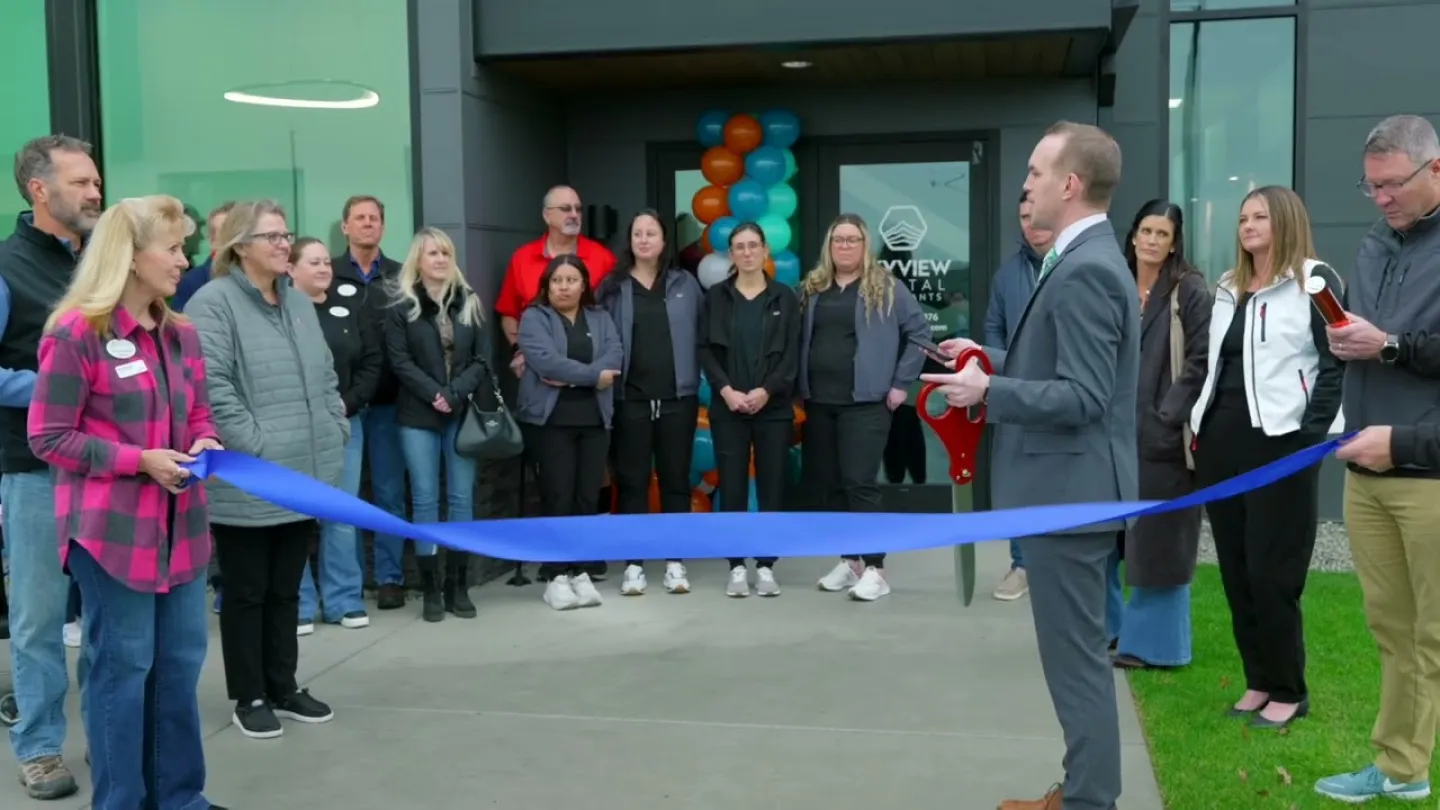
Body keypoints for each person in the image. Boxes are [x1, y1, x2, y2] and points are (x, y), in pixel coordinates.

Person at [922, 121, 1135, 810]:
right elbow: (1059, 368)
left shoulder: (1087, 268)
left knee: (1076, 666)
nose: (1026, 185)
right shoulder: (1080, 259)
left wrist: (988, 391)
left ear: (1070, 184)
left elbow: (1084, 396)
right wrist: (985, 360)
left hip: (1070, 498)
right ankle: (1082, 791)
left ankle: (1088, 801)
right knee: (1073, 662)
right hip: (1067, 494)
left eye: (1036, 173)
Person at [27, 194, 228, 810]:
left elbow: (199, 411)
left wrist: (204, 439)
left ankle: (179, 797)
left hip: (182, 533)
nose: (184, 260)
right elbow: (48, 436)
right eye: (173, 248)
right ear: (132, 256)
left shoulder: (181, 333)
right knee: (123, 670)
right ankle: (121, 802)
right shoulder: (76, 333)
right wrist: (139, 460)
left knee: (179, 666)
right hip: (110, 537)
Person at [186, 200, 348, 740]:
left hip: (304, 470)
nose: (284, 245)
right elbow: (214, 387)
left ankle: (283, 685)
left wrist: (334, 427)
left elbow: (325, 374)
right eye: (272, 237)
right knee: (248, 590)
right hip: (252, 474)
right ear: (240, 245)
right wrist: (257, 444)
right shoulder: (213, 304)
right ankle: (249, 694)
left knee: (286, 588)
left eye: (286, 235)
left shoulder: (298, 301)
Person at [1314, 114, 1440, 803]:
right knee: (1393, 630)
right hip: (1367, 464)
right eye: (1371, 187)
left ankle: (1403, 766)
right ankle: (1401, 768)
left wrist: (1388, 345)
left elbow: (1396, 343)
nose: (1382, 198)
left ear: (1435, 169)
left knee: (1431, 635)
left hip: (1427, 472)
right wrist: (1346, 339)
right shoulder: (1373, 242)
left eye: (1393, 184)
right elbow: (1365, 338)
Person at [1188, 185, 1343, 731]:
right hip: (1220, 444)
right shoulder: (1228, 286)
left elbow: (1337, 363)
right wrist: (1197, 427)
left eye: (1259, 216)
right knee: (1235, 570)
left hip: (1281, 445)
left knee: (1272, 572)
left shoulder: (1316, 281)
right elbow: (1214, 365)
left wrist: (1311, 439)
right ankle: (1257, 680)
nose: (1247, 225)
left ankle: (1289, 690)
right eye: (1242, 218)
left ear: (1285, 221)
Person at [0, 134, 102, 799]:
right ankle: (38, 747)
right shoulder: (7, 267)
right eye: (81, 182)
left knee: (108, 617)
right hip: (36, 471)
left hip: (110, 468)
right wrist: (63, 385)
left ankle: (109, 732)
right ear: (39, 189)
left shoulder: (104, 262)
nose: (96, 192)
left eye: (96, 181)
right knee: (39, 620)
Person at [801, 213, 929, 602]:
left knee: (860, 482)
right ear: (829, 246)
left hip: (866, 403)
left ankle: (876, 568)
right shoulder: (813, 287)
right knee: (834, 484)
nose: (844, 246)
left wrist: (900, 384)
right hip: (820, 401)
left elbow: (920, 334)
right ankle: (850, 560)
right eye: (838, 240)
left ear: (864, 245)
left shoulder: (886, 286)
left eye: (852, 240)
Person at [1109, 200, 1211, 670]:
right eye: (1146, 231)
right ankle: (1111, 630)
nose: (1152, 241)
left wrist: (1166, 415)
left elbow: (1202, 360)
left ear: (1174, 243)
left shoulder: (1189, 289)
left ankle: (1157, 648)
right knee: (1106, 540)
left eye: (1162, 234)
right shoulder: (1115, 282)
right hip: (1111, 434)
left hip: (1163, 441)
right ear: (1133, 235)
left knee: (1160, 544)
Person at [383, 227, 491, 622]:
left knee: (461, 498)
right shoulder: (401, 306)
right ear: (418, 259)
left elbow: (482, 358)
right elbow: (399, 361)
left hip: (461, 414)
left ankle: (457, 585)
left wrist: (454, 394)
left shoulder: (469, 301)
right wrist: (435, 394)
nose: (441, 259)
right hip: (418, 415)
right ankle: (430, 587)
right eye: (433, 253)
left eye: (446, 253)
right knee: (426, 499)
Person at [596, 210, 704, 596]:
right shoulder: (612, 287)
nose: (644, 239)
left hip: (678, 399)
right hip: (631, 400)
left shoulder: (685, 284)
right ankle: (634, 565)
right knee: (632, 484)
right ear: (630, 241)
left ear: (663, 241)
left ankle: (675, 563)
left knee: (676, 482)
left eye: (651, 233)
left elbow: (704, 333)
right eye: (637, 233)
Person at [698, 222, 801, 597]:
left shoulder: (784, 298)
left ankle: (767, 566)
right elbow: (704, 349)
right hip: (729, 407)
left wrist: (767, 390)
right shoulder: (716, 297)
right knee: (733, 487)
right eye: (739, 247)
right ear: (731, 254)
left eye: (753, 245)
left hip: (773, 408)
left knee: (772, 486)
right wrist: (725, 390)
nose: (747, 252)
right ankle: (737, 566)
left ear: (765, 250)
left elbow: (792, 354)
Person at [516, 254, 623, 611]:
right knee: (557, 495)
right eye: (557, 280)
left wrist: (572, 377)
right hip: (551, 422)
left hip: (594, 421)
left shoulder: (600, 317)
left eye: (571, 280)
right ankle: (556, 574)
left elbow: (615, 355)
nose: (564, 287)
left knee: (587, 498)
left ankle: (580, 571)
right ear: (547, 285)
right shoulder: (534, 317)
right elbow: (546, 363)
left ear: (584, 285)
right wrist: (593, 377)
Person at [288, 236, 381, 634]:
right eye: (314, 262)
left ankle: (344, 600)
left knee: (341, 513)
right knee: (294, 515)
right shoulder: (279, 312)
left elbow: (372, 362)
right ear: (291, 269)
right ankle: (299, 603)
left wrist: (348, 403)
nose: (325, 268)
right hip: (293, 427)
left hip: (343, 423)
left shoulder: (351, 306)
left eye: (327, 261)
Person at [328, 195, 409, 610]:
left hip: (389, 402)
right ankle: (353, 581)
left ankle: (391, 577)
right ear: (345, 226)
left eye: (374, 218)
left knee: (390, 493)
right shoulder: (328, 274)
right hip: (344, 405)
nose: (367, 224)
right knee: (348, 498)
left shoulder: (400, 276)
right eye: (358, 218)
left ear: (383, 226)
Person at [984, 190, 1052, 602]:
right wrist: (1006, 368)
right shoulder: (1007, 274)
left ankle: (1054, 565)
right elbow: (993, 327)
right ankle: (1021, 565)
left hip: (1060, 393)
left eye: (1036, 216)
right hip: (1014, 394)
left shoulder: (1073, 265)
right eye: (1024, 218)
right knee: (1016, 483)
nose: (1030, 225)